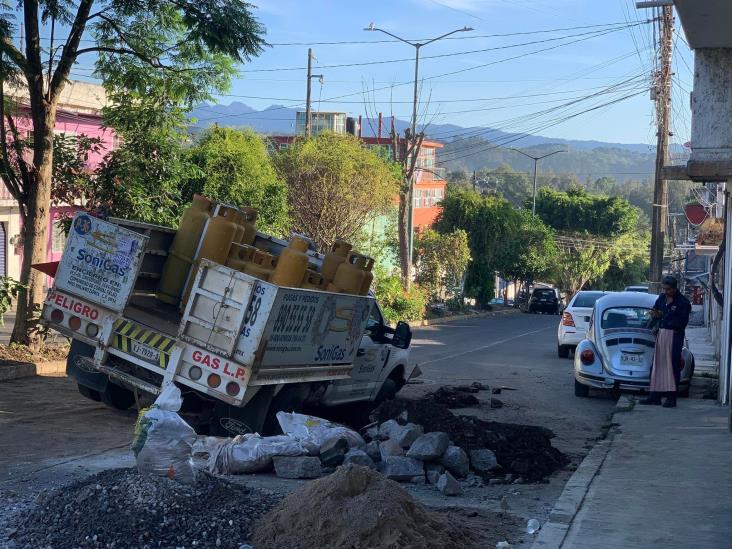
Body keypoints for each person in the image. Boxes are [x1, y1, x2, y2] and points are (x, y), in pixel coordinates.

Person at [641, 275, 691, 408]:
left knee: (672, 366)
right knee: (657, 365)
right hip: (661, 334)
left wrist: (664, 316)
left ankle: (671, 397)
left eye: (668, 289)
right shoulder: (662, 298)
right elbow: (656, 310)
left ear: (675, 289)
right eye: (664, 289)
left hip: (674, 336)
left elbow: (681, 323)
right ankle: (654, 396)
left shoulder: (683, 303)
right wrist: (654, 317)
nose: (665, 292)